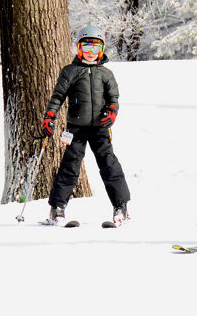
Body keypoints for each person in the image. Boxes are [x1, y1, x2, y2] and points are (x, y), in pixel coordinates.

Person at [40, 25, 131, 226]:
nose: (91, 53)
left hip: (100, 127)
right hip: (76, 128)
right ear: (79, 48)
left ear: (102, 50)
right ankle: (57, 208)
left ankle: (121, 207)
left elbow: (113, 99)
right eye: (87, 48)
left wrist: (112, 112)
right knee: (70, 166)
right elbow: (57, 97)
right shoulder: (70, 71)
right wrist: (49, 116)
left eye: (96, 49)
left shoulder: (105, 74)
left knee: (108, 164)